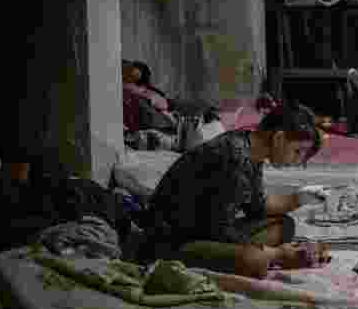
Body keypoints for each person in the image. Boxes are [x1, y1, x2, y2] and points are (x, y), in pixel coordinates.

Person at [141, 102, 329, 278]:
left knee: (285, 225)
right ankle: (263, 256)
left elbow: (257, 207)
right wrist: (278, 254)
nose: (298, 160)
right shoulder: (233, 158)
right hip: (173, 242)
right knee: (256, 261)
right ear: (279, 138)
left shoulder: (250, 148)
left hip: (204, 230)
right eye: (297, 151)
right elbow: (218, 231)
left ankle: (262, 254)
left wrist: (299, 198)